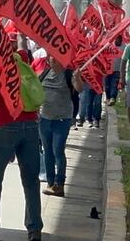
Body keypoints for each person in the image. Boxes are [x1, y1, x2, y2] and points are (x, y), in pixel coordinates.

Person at [0, 59, 43, 241]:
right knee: (31, 180)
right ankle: (34, 228)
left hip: (7, 125)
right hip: (31, 125)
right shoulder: (23, 63)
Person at [39, 56, 83, 198]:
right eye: (50, 58)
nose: (52, 60)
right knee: (47, 151)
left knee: (57, 149)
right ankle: (50, 183)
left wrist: (77, 79)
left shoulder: (69, 74)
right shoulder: (45, 73)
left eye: (55, 58)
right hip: (44, 118)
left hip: (62, 118)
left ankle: (60, 183)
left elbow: (79, 89)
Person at [105, 36, 125, 107]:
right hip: (108, 69)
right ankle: (108, 98)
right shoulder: (109, 45)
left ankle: (113, 98)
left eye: (119, 40)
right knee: (107, 85)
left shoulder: (124, 47)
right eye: (116, 39)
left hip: (117, 70)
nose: (118, 41)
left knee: (114, 84)